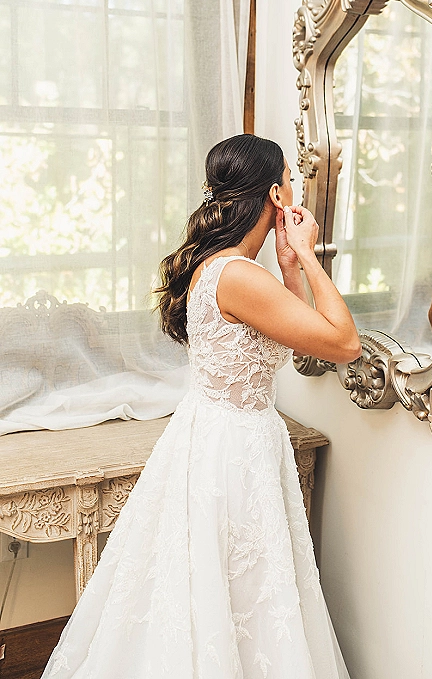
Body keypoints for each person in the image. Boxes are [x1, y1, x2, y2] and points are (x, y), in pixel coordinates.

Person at [42, 133, 361, 679]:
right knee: (236, 586)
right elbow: (345, 343)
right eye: (289, 177)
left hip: (219, 436)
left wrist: (288, 265)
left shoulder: (220, 267)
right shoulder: (236, 275)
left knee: (234, 588)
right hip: (232, 448)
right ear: (275, 196)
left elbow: (294, 334)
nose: (294, 186)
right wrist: (309, 253)